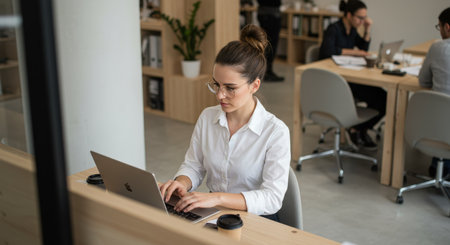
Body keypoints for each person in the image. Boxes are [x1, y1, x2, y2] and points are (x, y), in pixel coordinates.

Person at [159, 24, 291, 221]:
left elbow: (272, 198)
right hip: (212, 213)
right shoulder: (207, 117)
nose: (220, 95)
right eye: (216, 85)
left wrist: (216, 198)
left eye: (230, 88)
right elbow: (194, 166)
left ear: (254, 85)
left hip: (256, 221)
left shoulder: (275, 131)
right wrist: (182, 183)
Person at [319, 0, 383, 150]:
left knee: (382, 98)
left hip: (348, 78)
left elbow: (363, 47)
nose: (362, 21)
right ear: (348, 15)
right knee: (380, 98)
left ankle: (358, 128)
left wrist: (367, 30)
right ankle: (357, 129)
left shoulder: (353, 30)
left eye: (364, 18)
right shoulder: (333, 29)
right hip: (334, 81)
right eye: (360, 18)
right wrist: (355, 52)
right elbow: (327, 51)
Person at [418, 7, 450, 178]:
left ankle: (438, 166)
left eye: (439, 27)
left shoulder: (438, 48)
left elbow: (423, 82)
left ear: (447, 27)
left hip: (438, 123)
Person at [257, 0, 284, 82]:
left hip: (264, 13)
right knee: (271, 44)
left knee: (268, 43)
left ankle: (266, 71)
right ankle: (267, 72)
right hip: (271, 15)